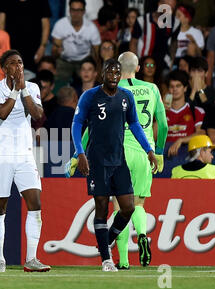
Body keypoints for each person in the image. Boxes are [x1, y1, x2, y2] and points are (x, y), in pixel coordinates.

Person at [71, 58, 157, 272]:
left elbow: (135, 124)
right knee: (101, 207)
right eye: (110, 72)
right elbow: (77, 124)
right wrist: (80, 153)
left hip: (120, 160)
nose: (114, 76)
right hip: (96, 162)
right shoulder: (90, 96)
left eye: (117, 72)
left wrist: (149, 150)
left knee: (128, 207)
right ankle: (106, 260)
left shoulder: (126, 97)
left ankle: (106, 240)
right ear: (103, 73)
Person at [0, 49, 50, 273]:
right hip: (1, 156)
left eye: (21, 63)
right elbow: (2, 113)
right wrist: (14, 90)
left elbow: (37, 114)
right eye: (13, 64)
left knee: (36, 205)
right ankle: (0, 260)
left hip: (24, 155)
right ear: (5, 69)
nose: (18, 67)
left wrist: (23, 90)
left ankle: (31, 259)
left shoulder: (31, 87)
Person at [112, 52, 167, 269]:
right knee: (139, 203)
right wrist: (159, 152)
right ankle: (143, 235)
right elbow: (162, 125)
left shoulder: (113, 89)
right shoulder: (152, 89)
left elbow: (91, 124)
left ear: (117, 68)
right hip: (146, 153)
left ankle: (124, 261)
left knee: (119, 206)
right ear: (137, 68)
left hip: (119, 152)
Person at [51, 0, 101, 84]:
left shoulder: (91, 28)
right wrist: (57, 52)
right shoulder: (60, 24)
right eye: (73, 10)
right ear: (69, 11)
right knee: (58, 84)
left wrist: (97, 70)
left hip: (84, 60)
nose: (76, 13)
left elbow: (97, 53)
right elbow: (54, 51)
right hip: (64, 60)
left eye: (79, 10)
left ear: (84, 11)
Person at [0, 0, 52, 73]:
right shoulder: (6, 1)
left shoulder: (41, 1)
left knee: (32, 80)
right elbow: (1, 24)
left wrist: (42, 46)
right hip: (11, 48)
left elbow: (46, 25)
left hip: (33, 49)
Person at [130, 0, 180, 78]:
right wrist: (135, 63)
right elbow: (133, 42)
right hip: (144, 62)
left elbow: (174, 43)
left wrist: (171, 62)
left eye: (173, 9)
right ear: (160, 4)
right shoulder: (142, 20)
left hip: (163, 63)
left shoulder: (175, 23)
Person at [165, 69, 206, 157]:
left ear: (185, 88)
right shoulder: (161, 112)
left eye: (178, 86)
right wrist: (161, 113)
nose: (174, 89)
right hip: (165, 156)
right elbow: (152, 137)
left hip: (188, 156)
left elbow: (201, 133)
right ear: (168, 89)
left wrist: (181, 140)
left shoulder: (197, 111)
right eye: (171, 86)